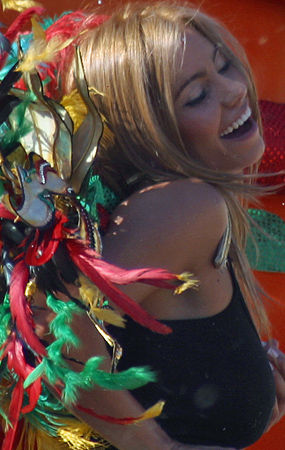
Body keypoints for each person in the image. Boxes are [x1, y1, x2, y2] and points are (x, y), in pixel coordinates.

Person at [0, 2, 284, 450]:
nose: (233, 91)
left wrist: (246, 405)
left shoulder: (178, 212)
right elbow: (56, 334)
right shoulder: (188, 207)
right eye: (196, 95)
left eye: (225, 65)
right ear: (144, 132)